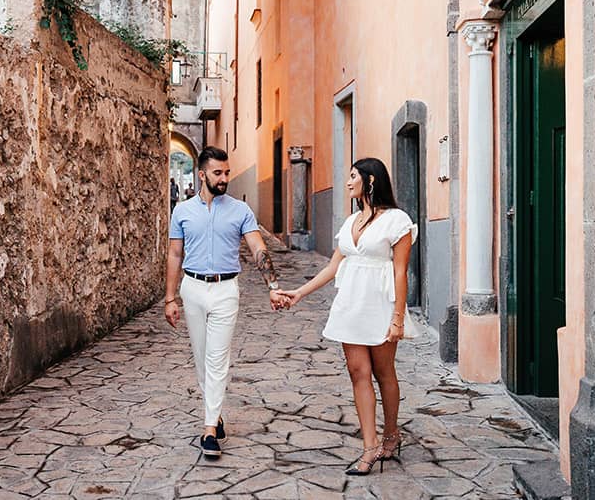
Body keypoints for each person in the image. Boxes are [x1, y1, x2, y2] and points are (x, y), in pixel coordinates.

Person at [276, 157, 416, 476]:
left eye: (353, 176)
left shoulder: (397, 220)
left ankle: (392, 435)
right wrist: (299, 292)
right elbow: (332, 266)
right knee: (357, 373)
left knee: (384, 373)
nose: (348, 181)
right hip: (351, 305)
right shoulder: (349, 221)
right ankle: (370, 446)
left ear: (370, 181)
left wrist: (398, 318)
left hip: (380, 305)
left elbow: (400, 271)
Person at [165, 146, 287, 459]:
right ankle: (215, 415)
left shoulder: (240, 211)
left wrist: (272, 286)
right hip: (192, 288)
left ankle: (208, 430)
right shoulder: (182, 212)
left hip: (225, 290)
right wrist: (170, 297)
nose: (224, 178)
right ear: (202, 174)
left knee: (217, 358)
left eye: (227, 172)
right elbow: (175, 255)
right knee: (202, 357)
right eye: (218, 173)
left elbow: (259, 249)